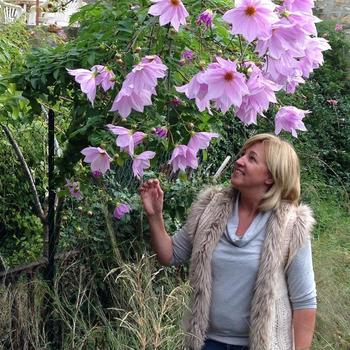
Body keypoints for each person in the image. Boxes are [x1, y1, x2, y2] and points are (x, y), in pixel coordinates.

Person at [139, 133, 317, 350]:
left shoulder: (291, 225)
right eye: (243, 155)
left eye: (251, 159)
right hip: (207, 342)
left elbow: (305, 303)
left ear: (270, 176)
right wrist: (155, 215)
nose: (239, 161)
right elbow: (170, 254)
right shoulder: (209, 208)